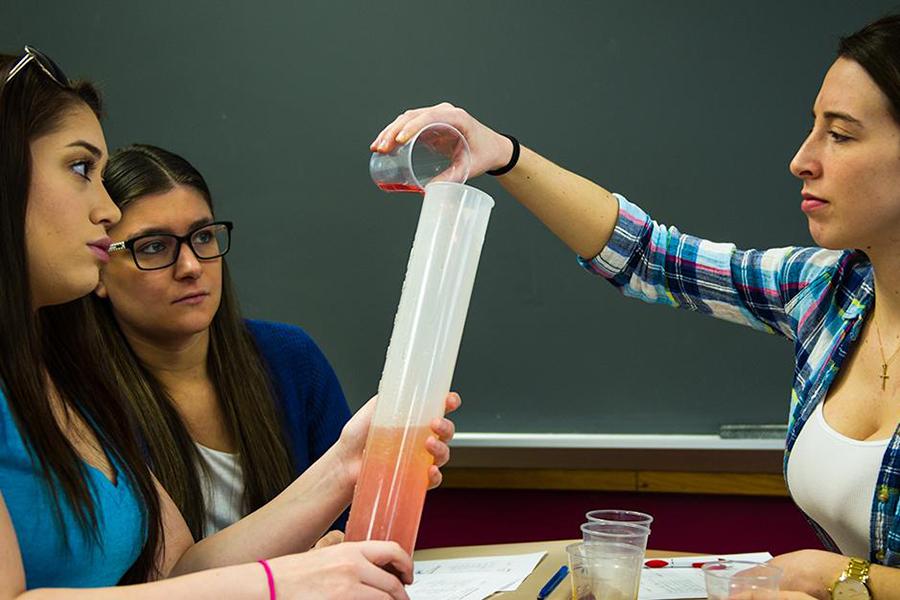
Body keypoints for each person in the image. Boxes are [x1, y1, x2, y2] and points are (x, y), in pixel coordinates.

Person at [371, 13, 900, 600]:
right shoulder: (828, 291)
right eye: (812, 128)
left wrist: (846, 578)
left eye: (842, 134)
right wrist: (503, 155)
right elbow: (650, 256)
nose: (802, 160)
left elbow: (846, 574)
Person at [0, 45, 456, 598]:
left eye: (202, 238)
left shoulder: (64, 376)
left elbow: (179, 573)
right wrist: (277, 584)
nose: (108, 210)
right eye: (80, 168)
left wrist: (344, 465)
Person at [89, 143, 351, 541]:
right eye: (154, 247)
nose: (192, 267)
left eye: (204, 237)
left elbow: (354, 522)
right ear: (99, 270)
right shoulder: (81, 400)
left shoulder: (290, 359)